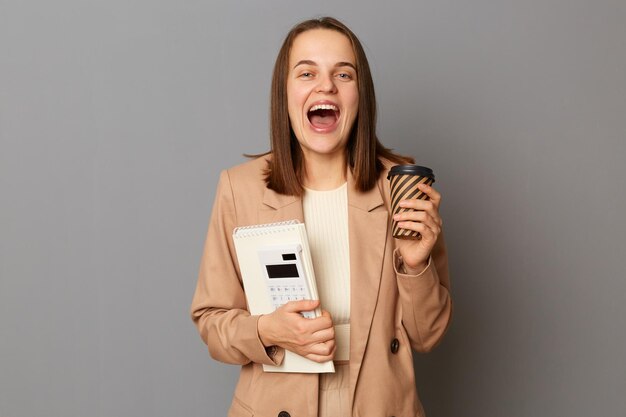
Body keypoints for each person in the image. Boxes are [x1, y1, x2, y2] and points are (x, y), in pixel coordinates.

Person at [190, 16, 452, 417]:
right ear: (285, 93)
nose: (325, 85)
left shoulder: (400, 186)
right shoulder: (239, 188)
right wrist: (266, 330)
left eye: (343, 74)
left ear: (360, 95)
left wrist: (416, 266)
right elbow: (212, 321)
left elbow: (427, 335)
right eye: (306, 72)